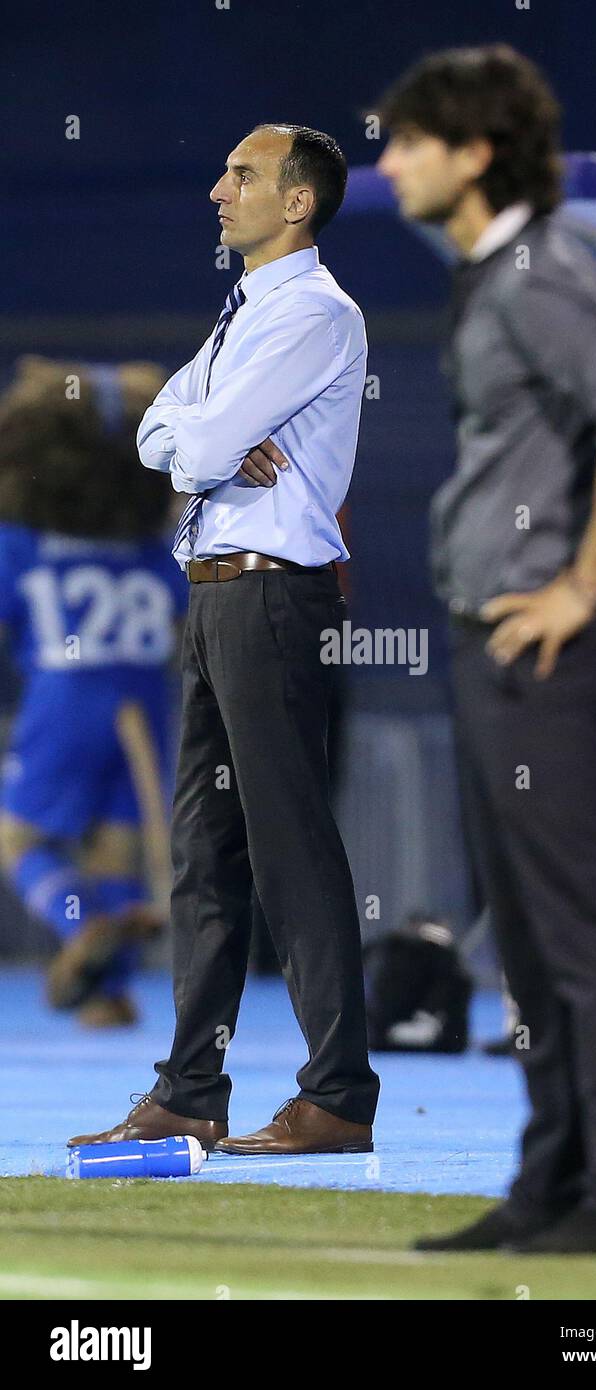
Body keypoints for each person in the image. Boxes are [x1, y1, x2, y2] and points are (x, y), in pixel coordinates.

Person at [377, 45, 596, 1253]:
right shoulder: (490, 272)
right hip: (490, 644)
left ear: (476, 151)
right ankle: (554, 1182)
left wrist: (582, 587)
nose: (388, 162)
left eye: (408, 142)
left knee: (580, 929)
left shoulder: (537, 274)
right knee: (531, 932)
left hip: (540, 655)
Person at [69, 124, 380, 1155]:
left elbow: (186, 438)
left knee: (288, 848)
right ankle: (191, 1088)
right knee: (203, 857)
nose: (217, 189)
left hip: (270, 599)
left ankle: (337, 1093)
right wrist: (200, 440)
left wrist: (201, 439)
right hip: (211, 599)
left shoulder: (317, 315)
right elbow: (168, 431)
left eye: (241, 175)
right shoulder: (245, 313)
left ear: (297, 202)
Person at [0, 356, 185, 1027]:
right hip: (141, 707)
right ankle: (108, 992)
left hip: (63, 701)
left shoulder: (18, 544)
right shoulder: (155, 551)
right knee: (119, 851)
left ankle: (74, 921)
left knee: (19, 841)